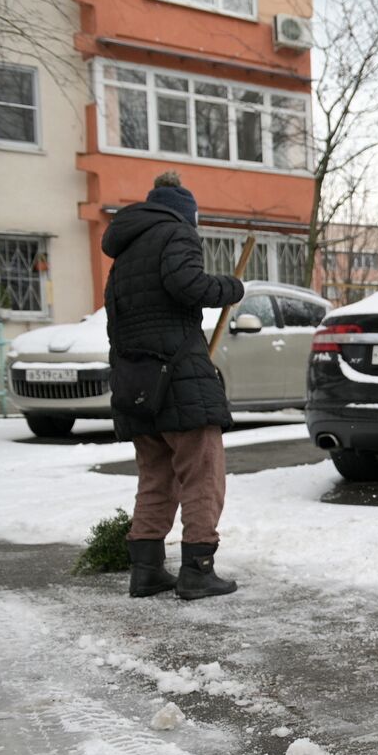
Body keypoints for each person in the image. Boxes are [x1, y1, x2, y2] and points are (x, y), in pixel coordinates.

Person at [102, 172, 244, 600]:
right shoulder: (177, 233)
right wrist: (231, 287)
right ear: (187, 213)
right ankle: (198, 570)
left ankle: (146, 570)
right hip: (179, 375)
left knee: (156, 476)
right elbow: (188, 286)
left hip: (137, 381)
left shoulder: (124, 252)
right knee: (202, 473)